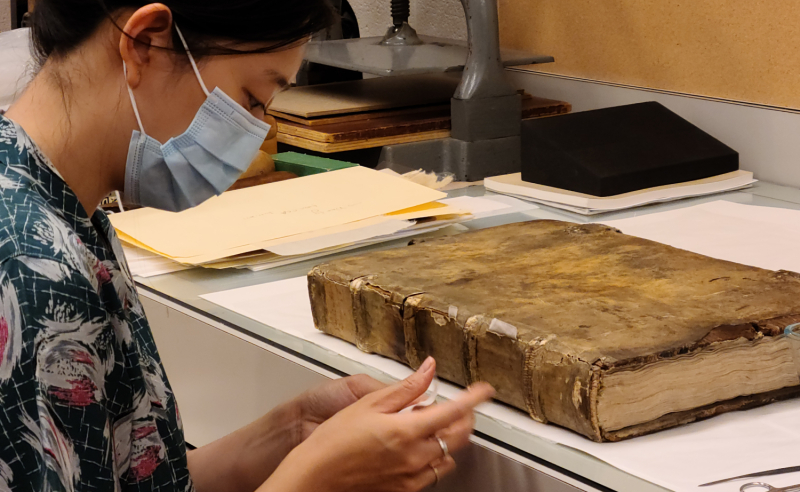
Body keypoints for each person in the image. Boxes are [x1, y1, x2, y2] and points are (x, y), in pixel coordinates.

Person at [0, 1, 495, 491]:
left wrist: (292, 432)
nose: (255, 134)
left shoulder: (64, 214)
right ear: (145, 43)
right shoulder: (32, 268)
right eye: (252, 99)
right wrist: (318, 476)